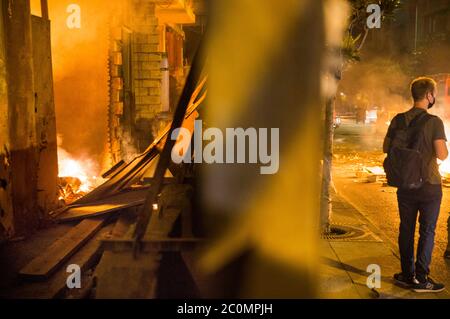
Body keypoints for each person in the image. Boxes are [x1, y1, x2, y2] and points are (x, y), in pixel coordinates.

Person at [383, 77, 448, 293]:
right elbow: (442, 153)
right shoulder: (434, 122)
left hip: (405, 184)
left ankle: (405, 275)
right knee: (427, 231)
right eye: (434, 94)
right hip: (429, 185)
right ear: (429, 95)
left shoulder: (397, 120)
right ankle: (421, 279)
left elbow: (386, 148)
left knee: (406, 228)